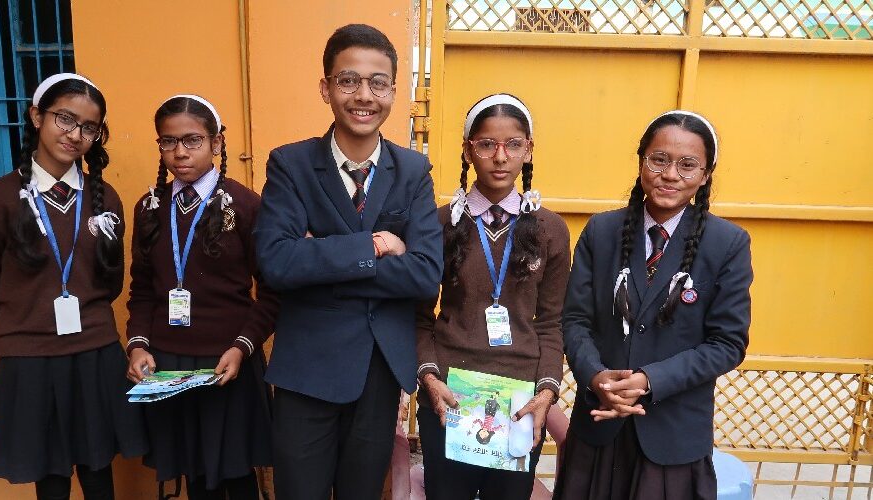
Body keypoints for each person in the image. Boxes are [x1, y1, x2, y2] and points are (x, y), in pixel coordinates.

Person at [253, 24, 443, 499]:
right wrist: (372, 247)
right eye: (348, 81)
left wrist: (319, 258)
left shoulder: (413, 171)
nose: (364, 96)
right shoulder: (291, 165)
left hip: (379, 372)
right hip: (306, 371)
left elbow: (425, 274)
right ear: (326, 88)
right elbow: (277, 263)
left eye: (378, 83)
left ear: (393, 91)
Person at [553, 111, 752, 500]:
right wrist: (596, 377)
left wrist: (649, 380)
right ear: (641, 162)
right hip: (600, 423)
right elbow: (574, 320)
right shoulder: (602, 231)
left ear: (706, 174)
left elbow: (728, 343)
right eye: (659, 160)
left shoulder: (727, 243)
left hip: (673, 436)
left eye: (687, 165)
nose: (670, 175)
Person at [0, 73, 146, 499]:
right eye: (65, 118)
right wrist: (8, 324)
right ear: (37, 116)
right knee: (49, 476)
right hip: (29, 356)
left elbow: (110, 279)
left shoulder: (104, 198)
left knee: (98, 467)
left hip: (93, 351)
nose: (75, 134)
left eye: (89, 127)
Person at [415, 93, 571, 500]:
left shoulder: (550, 230)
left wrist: (546, 393)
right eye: (487, 144)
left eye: (513, 144)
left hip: (519, 401)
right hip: (450, 395)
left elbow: (552, 322)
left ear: (528, 150)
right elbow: (418, 316)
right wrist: (430, 378)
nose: (500, 157)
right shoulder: (440, 223)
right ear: (468, 151)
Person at [125, 94, 278, 499]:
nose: (179, 152)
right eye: (168, 141)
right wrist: (137, 345)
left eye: (192, 140)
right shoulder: (150, 208)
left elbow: (272, 292)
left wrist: (243, 347)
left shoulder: (245, 207)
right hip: (169, 367)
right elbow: (142, 289)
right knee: (194, 475)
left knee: (237, 476)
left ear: (217, 142)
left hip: (229, 361)